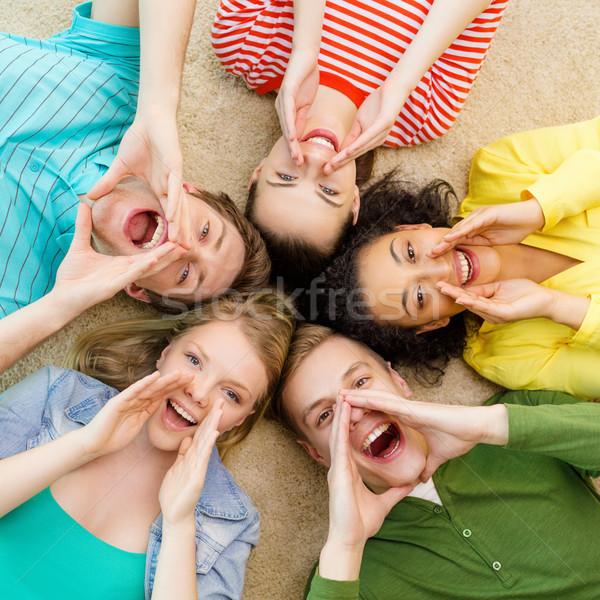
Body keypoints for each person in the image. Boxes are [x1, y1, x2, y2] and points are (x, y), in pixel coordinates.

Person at [271, 323, 600, 599]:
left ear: (399, 381)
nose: (354, 412)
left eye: (360, 383)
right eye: (327, 415)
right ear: (316, 452)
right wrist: (347, 546)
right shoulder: (346, 571)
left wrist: (486, 425)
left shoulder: (516, 417)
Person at [0, 292, 295, 599]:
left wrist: (179, 523)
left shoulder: (232, 522)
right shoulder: (56, 394)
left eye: (231, 394)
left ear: (240, 420)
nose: (199, 393)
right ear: (166, 354)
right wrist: (85, 446)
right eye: (194, 360)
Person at [0, 0, 270, 322]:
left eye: (185, 273)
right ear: (189, 190)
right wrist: (157, 109)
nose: (182, 246)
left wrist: (60, 307)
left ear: (137, 289)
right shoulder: (121, 81)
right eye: (204, 232)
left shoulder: (19, 300)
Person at [212, 0, 508, 282]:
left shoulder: (243, 45)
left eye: (287, 176)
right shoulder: (425, 115)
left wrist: (305, 49)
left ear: (258, 173)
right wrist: (402, 81)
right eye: (327, 190)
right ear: (354, 201)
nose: (315, 161)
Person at [319, 116, 600, 398]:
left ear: (414, 227)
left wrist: (537, 210)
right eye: (419, 297)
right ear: (433, 324)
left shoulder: (500, 169)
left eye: (411, 252)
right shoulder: (507, 357)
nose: (439, 270)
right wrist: (557, 306)